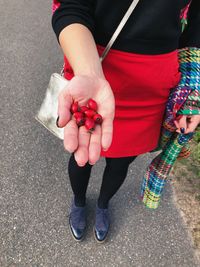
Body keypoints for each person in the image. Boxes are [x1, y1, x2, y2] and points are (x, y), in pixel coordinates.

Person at [51, 0, 200, 242]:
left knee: (121, 162)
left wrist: (194, 86)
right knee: (82, 153)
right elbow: (70, 7)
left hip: (153, 82)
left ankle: (102, 204)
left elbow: (196, 20)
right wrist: (89, 72)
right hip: (96, 61)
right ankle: (79, 201)